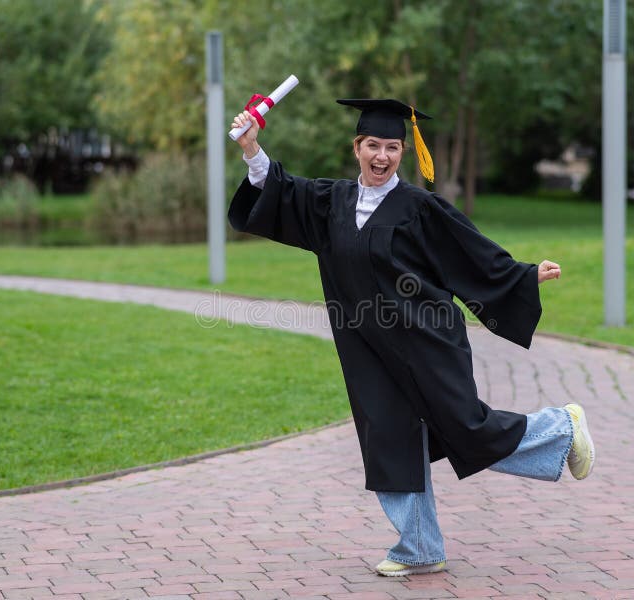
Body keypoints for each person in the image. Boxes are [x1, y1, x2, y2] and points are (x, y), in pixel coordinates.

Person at [227, 98, 595, 577]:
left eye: (393, 147)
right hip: (367, 349)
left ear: (404, 151)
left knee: (465, 428)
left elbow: (472, 253)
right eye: (373, 145)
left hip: (426, 341)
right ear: (356, 147)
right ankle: (419, 546)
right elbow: (279, 191)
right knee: (387, 438)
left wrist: (523, 276)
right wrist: (252, 147)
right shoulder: (330, 202)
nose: (383, 156)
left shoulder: (419, 208)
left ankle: (561, 428)